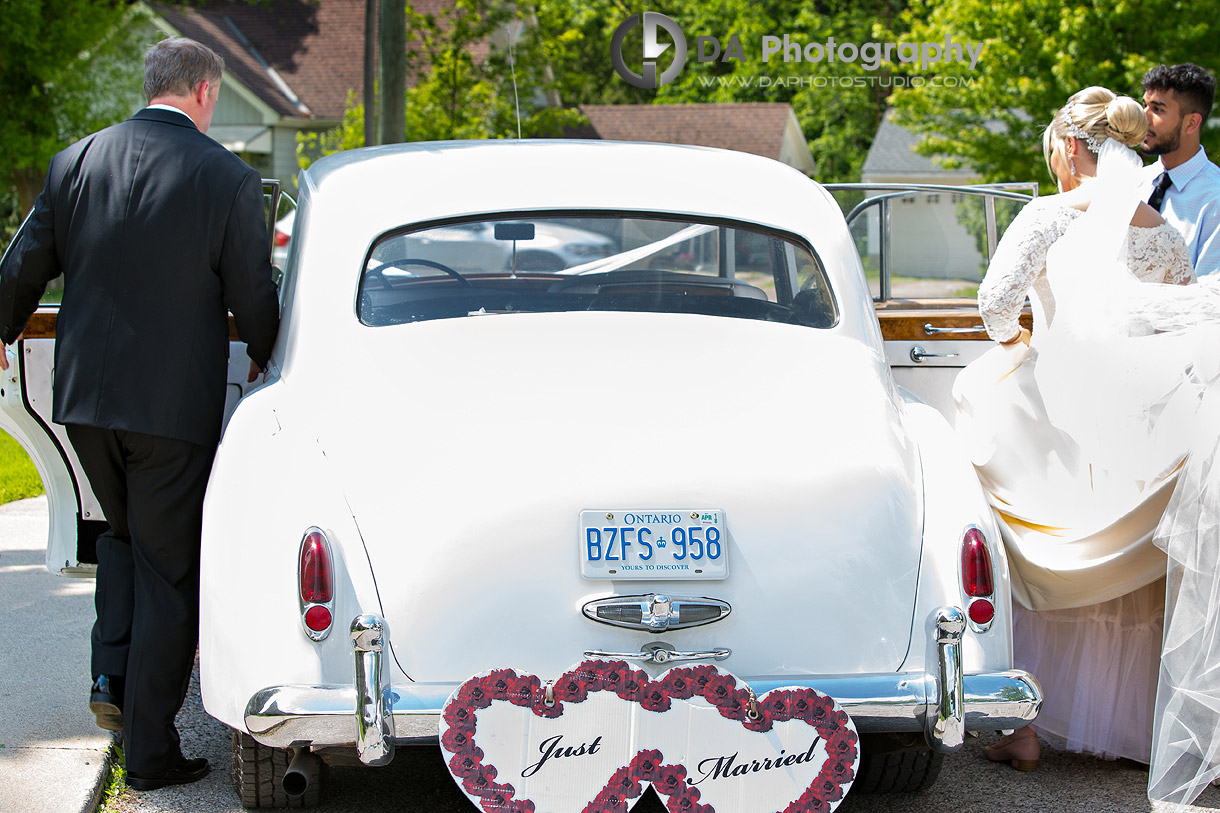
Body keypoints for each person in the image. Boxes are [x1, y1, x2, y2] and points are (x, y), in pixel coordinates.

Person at [0, 38, 280, 790]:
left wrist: (0, 332)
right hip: (169, 408)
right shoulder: (226, 178)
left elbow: (21, 266)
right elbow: (254, 292)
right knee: (168, 571)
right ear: (204, 92)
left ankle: (109, 682)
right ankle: (151, 751)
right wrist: (265, 348)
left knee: (122, 541)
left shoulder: (75, 161)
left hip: (84, 400)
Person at [953, 87, 1195, 773]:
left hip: (1061, 412)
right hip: (1141, 417)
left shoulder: (1048, 217)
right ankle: (1139, 730)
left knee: (1031, 523)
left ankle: (1023, 723)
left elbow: (996, 305)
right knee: (1130, 567)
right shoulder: (1162, 232)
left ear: (1068, 148)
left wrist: (1021, 343)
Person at [1141, 63, 1220, 276]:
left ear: (1191, 123)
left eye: (1157, 109)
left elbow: (1208, 297)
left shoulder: (1215, 199)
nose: (1144, 117)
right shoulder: (1134, 182)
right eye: (1145, 105)